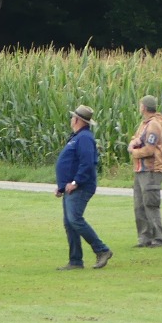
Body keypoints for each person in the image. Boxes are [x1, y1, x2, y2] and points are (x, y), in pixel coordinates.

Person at [55, 105, 111, 270]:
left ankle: (102, 250)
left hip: (80, 187)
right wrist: (61, 187)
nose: (71, 120)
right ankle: (75, 260)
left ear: (77, 120)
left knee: (75, 219)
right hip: (71, 187)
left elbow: (87, 163)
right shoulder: (77, 137)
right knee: (69, 223)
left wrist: (75, 182)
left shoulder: (84, 138)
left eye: (73, 117)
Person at [127, 95, 162, 247]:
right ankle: (144, 238)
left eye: (140, 105)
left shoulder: (153, 125)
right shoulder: (144, 124)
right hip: (140, 169)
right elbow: (137, 139)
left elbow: (150, 149)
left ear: (144, 107)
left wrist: (134, 152)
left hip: (151, 170)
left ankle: (158, 238)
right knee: (139, 205)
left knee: (150, 204)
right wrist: (134, 141)